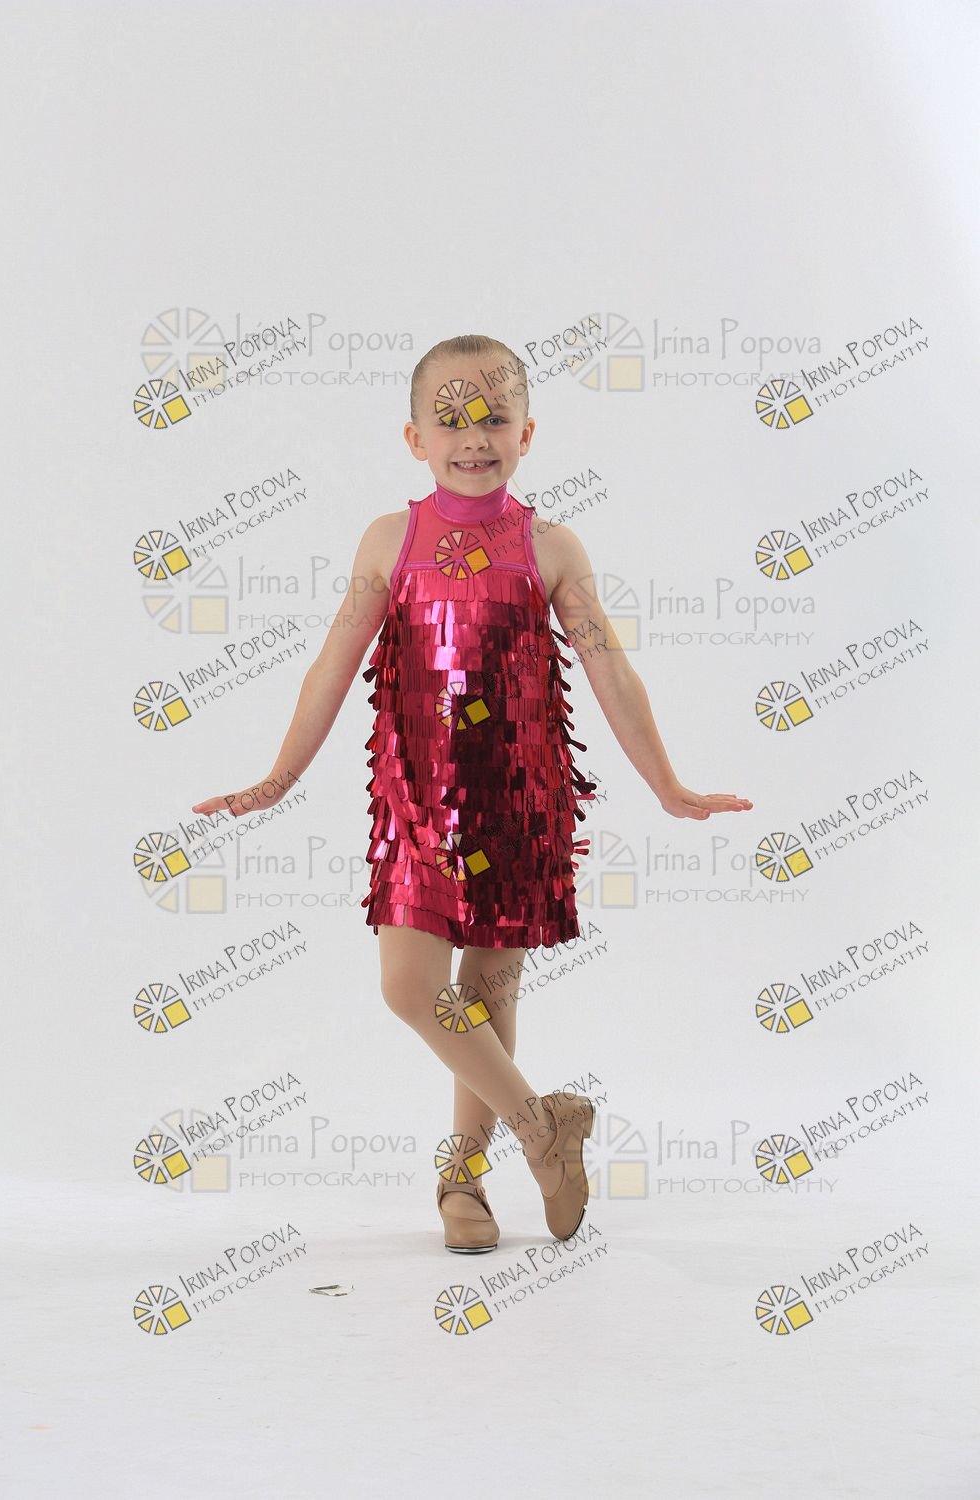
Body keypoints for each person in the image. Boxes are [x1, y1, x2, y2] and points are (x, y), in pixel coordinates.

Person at [191, 332, 752, 1255]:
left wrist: (669, 786)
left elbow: (610, 671)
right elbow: (333, 662)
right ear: (414, 438)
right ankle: (543, 1128)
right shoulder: (391, 539)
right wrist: (277, 779)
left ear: (528, 432)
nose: (474, 436)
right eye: (449, 419)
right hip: (415, 803)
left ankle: (465, 1181)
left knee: (485, 998)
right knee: (411, 989)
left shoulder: (551, 547)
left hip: (518, 803)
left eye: (495, 417)